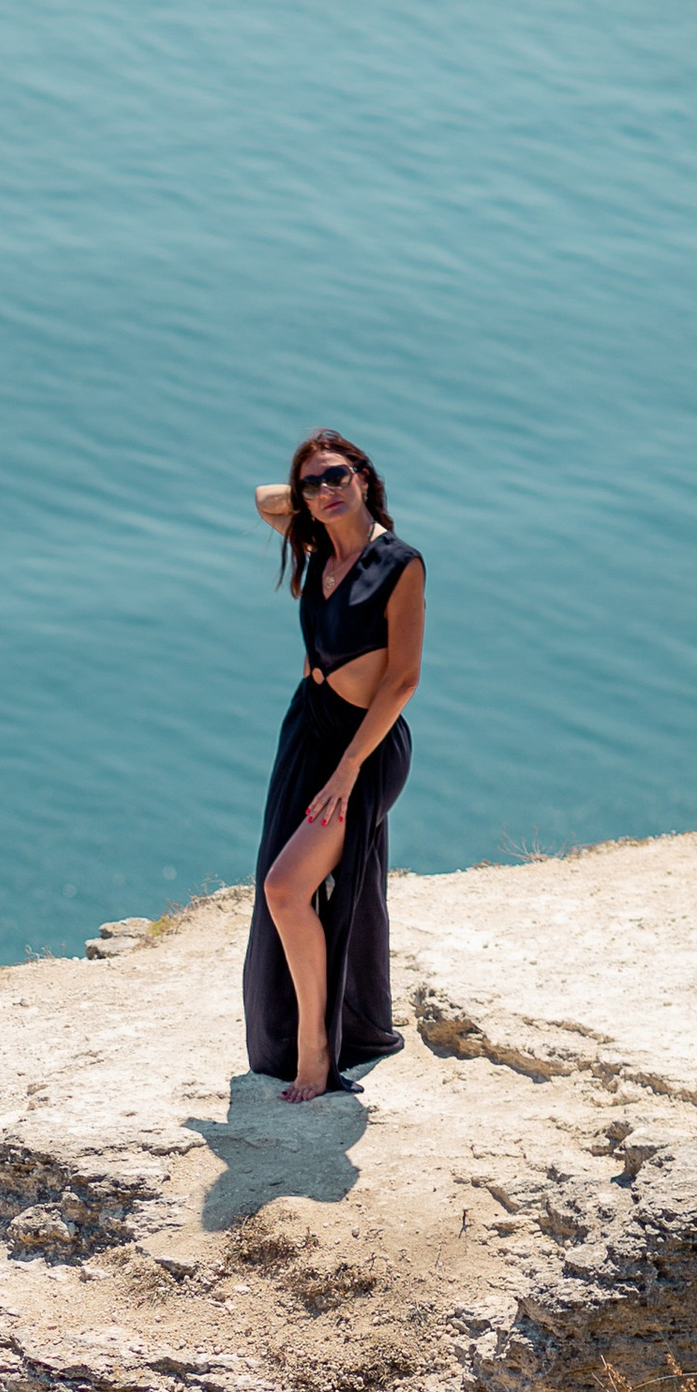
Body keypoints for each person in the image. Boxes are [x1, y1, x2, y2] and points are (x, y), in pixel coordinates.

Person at [242, 431, 424, 1101]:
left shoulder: (400, 564)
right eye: (312, 484)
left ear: (366, 477)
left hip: (363, 750)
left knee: (287, 890)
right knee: (280, 882)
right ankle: (311, 1033)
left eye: (338, 477)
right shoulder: (318, 544)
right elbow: (265, 500)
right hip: (307, 734)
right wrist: (315, 496)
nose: (324, 491)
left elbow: (402, 681)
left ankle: (317, 1050)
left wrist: (348, 771)